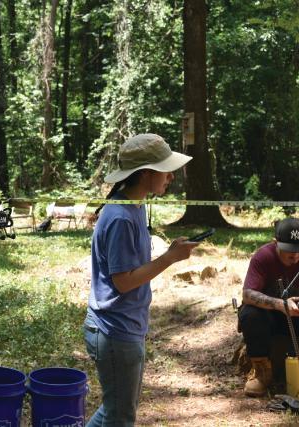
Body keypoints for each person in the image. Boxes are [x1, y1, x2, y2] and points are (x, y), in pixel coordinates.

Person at [84, 133, 199, 426]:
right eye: (166, 170)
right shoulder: (121, 216)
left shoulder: (135, 206)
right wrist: (169, 258)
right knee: (120, 415)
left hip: (125, 326)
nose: (171, 177)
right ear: (146, 174)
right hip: (114, 331)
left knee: (117, 410)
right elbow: (122, 282)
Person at [239, 217, 299, 397]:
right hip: (269, 317)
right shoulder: (263, 256)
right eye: (289, 250)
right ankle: (262, 371)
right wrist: (280, 304)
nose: (295, 255)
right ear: (275, 243)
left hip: (298, 315)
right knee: (250, 314)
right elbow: (248, 294)